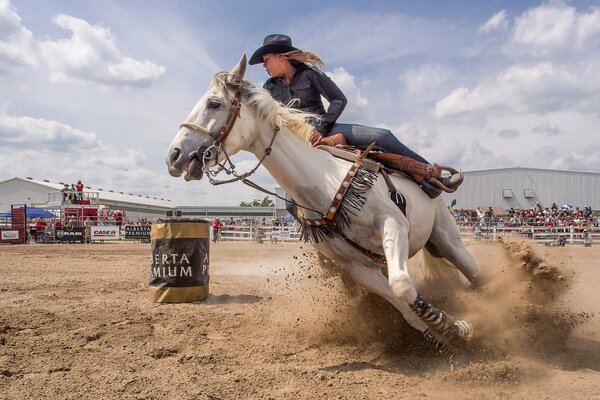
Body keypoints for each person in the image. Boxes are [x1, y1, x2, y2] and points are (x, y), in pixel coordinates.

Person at [249, 34, 463, 198]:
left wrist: (321, 128)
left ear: (280, 57)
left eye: (266, 60)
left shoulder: (309, 74)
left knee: (382, 136)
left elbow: (338, 99)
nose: (264, 66)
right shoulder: (269, 88)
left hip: (325, 128)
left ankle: (433, 178)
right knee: (290, 201)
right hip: (298, 143)